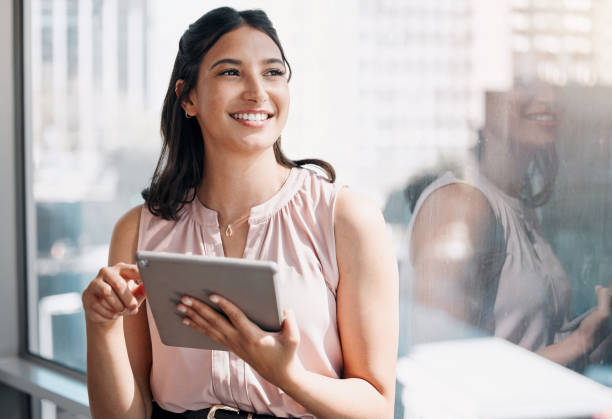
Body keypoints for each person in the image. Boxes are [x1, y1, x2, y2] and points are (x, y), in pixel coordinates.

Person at [81, 7, 398, 419]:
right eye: (231, 72)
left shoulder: (347, 219)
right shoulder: (138, 230)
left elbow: (378, 408)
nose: (257, 91)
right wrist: (101, 326)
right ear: (188, 97)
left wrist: (287, 375)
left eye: (272, 72)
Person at [408, 81, 611, 368]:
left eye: (552, 83)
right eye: (523, 82)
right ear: (478, 107)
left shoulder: (522, 211)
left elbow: (532, 348)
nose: (549, 96)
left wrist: (590, 339)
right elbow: (443, 369)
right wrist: (579, 343)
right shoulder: (462, 206)